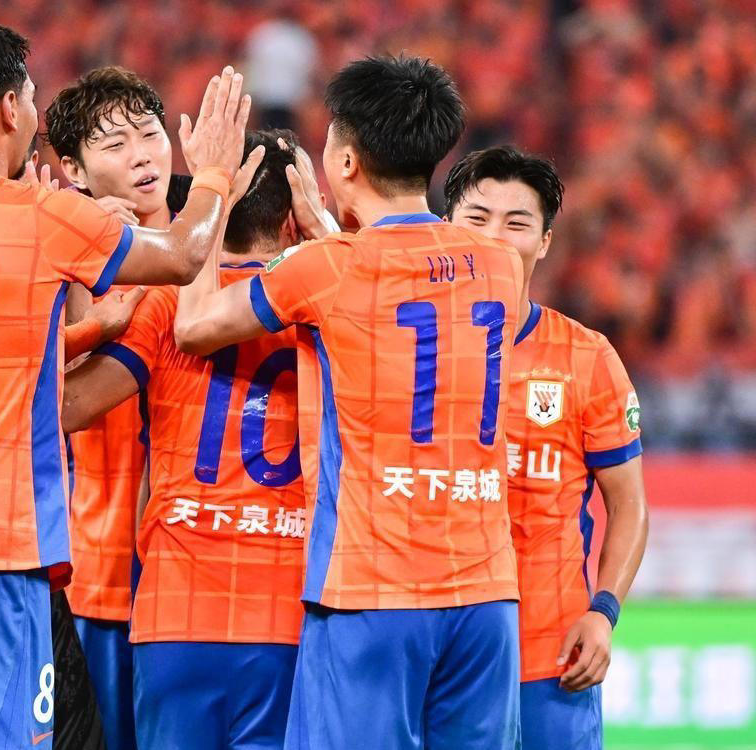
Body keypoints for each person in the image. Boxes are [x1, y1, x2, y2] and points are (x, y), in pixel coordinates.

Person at [0, 22, 252, 749]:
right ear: (9, 108)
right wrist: (213, 174)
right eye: (29, 95)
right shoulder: (35, 215)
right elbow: (185, 255)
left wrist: (87, 327)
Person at [172, 55, 526, 749]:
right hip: (486, 597)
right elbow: (412, 285)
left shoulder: (326, 269)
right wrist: (338, 236)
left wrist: (210, 183)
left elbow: (195, 325)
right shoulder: (499, 264)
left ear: (345, 162)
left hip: (371, 592)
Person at [61, 130, 309, 750]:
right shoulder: (321, 307)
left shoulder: (161, 306)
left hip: (176, 610)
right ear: (292, 219)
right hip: (290, 609)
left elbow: (67, 407)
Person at [444, 145, 649, 750]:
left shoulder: (586, 355)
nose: (494, 236)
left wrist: (603, 612)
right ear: (444, 227)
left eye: (517, 222)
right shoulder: (405, 347)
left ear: (545, 241)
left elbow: (629, 503)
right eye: (477, 217)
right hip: (440, 648)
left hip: (550, 651)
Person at [44, 65, 177, 750]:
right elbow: (41, 388)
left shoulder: (217, 250)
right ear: (73, 169)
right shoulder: (52, 265)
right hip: (96, 579)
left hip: (191, 582)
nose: (142, 156)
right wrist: (77, 266)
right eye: (115, 145)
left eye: (150, 134)